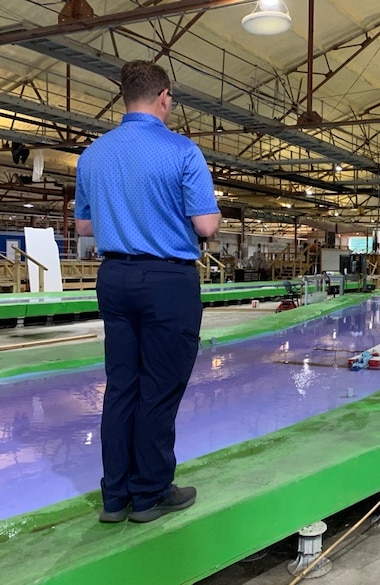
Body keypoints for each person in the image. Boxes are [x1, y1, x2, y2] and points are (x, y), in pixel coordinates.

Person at [75, 60, 222, 523]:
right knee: (158, 389)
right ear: (164, 96)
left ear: (125, 96)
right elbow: (206, 226)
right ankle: (151, 493)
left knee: (121, 387)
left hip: (114, 278)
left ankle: (114, 497)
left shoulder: (93, 154)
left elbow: (83, 226)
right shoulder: (182, 151)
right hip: (166, 280)